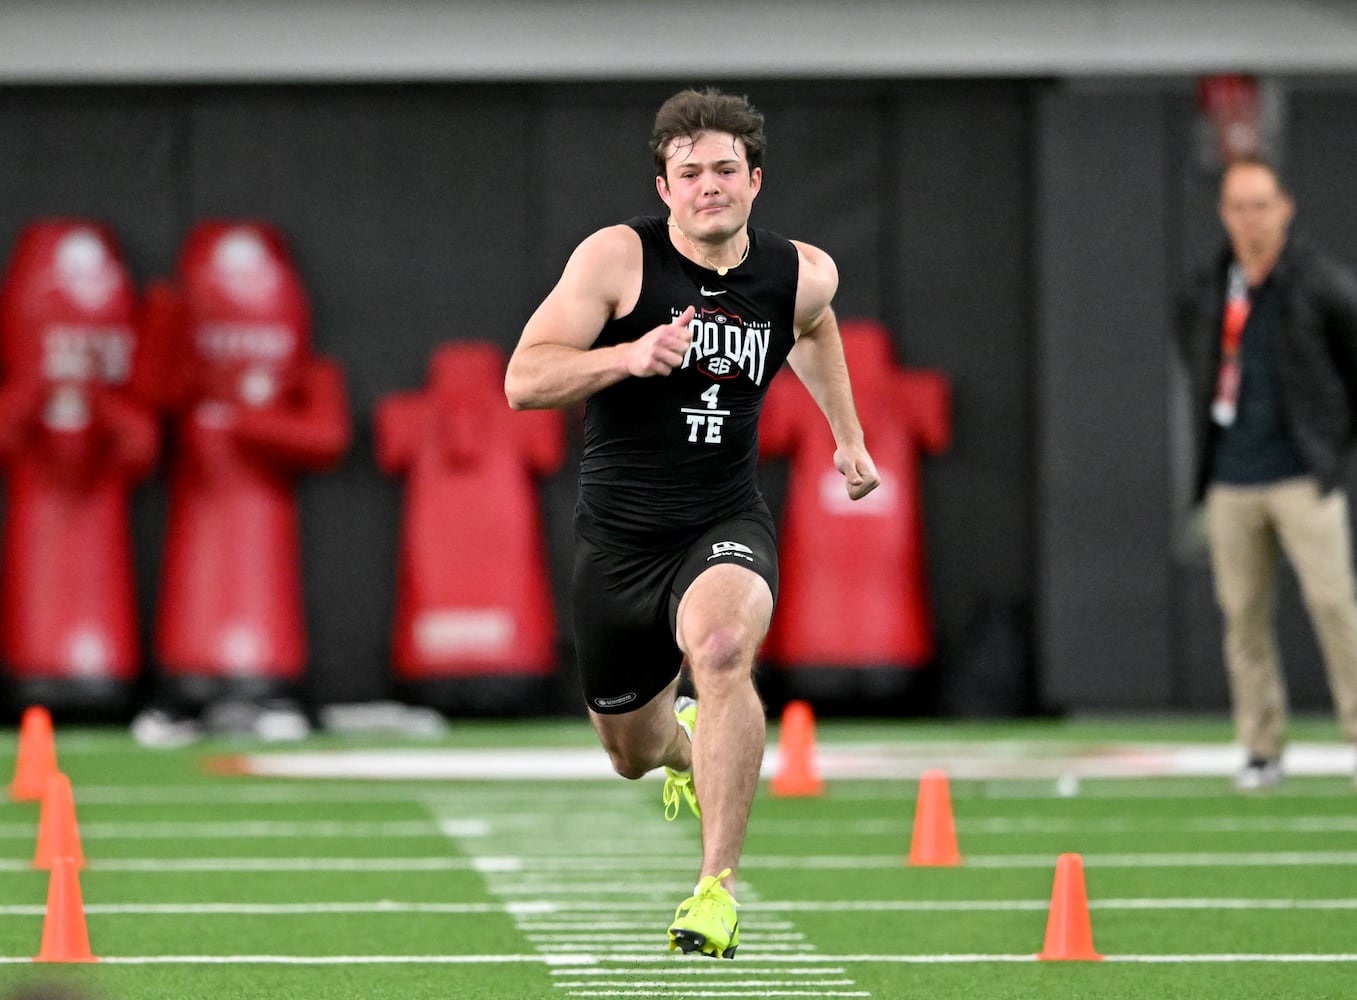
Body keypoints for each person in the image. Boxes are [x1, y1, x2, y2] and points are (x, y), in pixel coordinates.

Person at [505, 87, 880, 957]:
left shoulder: (801, 271)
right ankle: (683, 749)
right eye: (689, 173)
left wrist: (847, 438)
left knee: (719, 651)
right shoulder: (617, 259)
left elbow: (814, 329)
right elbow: (524, 381)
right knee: (631, 754)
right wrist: (626, 356)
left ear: (754, 180)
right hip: (618, 543)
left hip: (720, 521)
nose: (707, 186)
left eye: (723, 170)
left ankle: (715, 890)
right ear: (665, 188)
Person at [1177, 155, 1357, 791]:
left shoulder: (1321, 283)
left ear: (1285, 207)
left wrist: (1332, 450)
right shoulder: (1208, 285)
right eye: (1238, 206)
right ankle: (1260, 745)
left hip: (1303, 475)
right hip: (1232, 476)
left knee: (1335, 604)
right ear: (1224, 214)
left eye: (1261, 204)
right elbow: (1194, 358)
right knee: (1243, 616)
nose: (1250, 218)